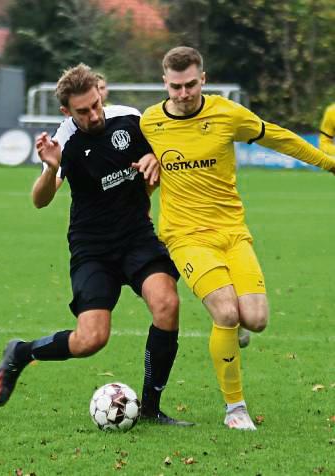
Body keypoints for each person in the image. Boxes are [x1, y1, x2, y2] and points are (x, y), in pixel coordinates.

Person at [137, 46, 335, 431]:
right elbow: (132, 165)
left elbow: (278, 138)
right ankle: (235, 409)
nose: (183, 93)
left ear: (203, 79)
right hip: (185, 236)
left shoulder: (227, 113)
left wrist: (329, 163)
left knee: (256, 320)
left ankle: (238, 327)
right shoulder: (149, 123)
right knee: (226, 313)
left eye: (190, 84)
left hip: (232, 232)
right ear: (165, 83)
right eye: (175, 86)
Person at [0, 63, 193, 426]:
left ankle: (149, 408)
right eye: (83, 111)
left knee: (167, 304)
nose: (93, 114)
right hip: (92, 247)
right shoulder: (64, 140)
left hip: (136, 236)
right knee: (91, 339)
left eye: (96, 104)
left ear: (102, 95)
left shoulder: (130, 119)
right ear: (67, 111)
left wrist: (154, 158)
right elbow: (40, 200)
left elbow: (163, 155)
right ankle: (21, 353)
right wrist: (51, 168)